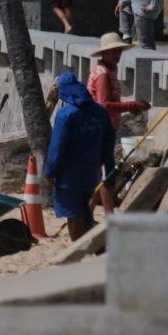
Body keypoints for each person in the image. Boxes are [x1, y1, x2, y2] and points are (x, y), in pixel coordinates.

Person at [46, 71, 117, 241]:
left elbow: (57, 148)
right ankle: (92, 246)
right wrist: (109, 170)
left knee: (73, 214)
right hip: (91, 173)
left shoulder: (66, 115)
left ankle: (79, 250)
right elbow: (109, 144)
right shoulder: (100, 112)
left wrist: (50, 172)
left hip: (68, 176)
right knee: (84, 210)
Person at [87, 32, 151, 127]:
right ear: (104, 52)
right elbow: (103, 105)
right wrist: (132, 105)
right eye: (113, 51)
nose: (117, 54)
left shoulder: (109, 70)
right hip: (100, 126)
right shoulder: (103, 74)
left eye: (119, 51)